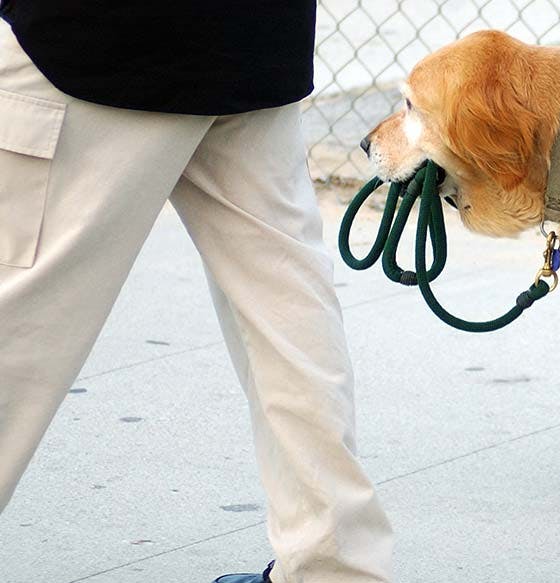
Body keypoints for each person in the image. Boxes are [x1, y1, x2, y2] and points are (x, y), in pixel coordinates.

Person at [0, 2, 394, 582]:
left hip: (92, 45)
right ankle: (335, 569)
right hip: (255, 42)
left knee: (19, 318)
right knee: (285, 313)